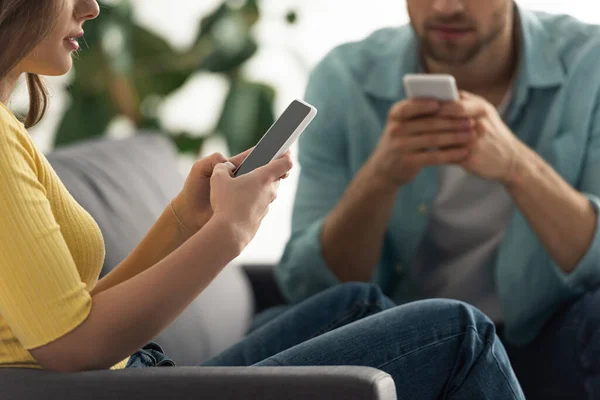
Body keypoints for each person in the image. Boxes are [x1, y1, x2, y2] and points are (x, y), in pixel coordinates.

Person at [0, 1, 526, 399]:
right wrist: (231, 232)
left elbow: (73, 317)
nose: (91, 6)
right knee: (462, 332)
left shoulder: (12, 131)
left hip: (129, 373)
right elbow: (73, 350)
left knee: (357, 302)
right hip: (123, 386)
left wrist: (187, 220)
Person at [276, 1, 600, 399]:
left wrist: (517, 166)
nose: (446, 6)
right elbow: (314, 288)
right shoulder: (344, 76)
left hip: (550, 335)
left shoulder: (591, 63)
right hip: (410, 344)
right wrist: (379, 178)